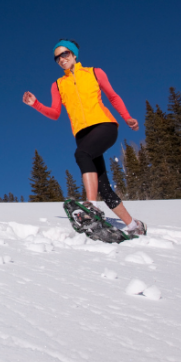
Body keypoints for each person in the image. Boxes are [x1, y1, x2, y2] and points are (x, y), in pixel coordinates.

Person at [23, 39, 146, 235]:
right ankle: (134, 226)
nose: (61, 59)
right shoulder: (57, 85)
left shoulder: (94, 72)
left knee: (82, 155)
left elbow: (113, 96)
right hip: (82, 134)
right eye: (57, 57)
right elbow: (55, 113)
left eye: (64, 54)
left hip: (104, 125)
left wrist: (127, 117)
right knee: (104, 187)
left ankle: (90, 206)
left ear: (73, 54)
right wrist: (36, 104)